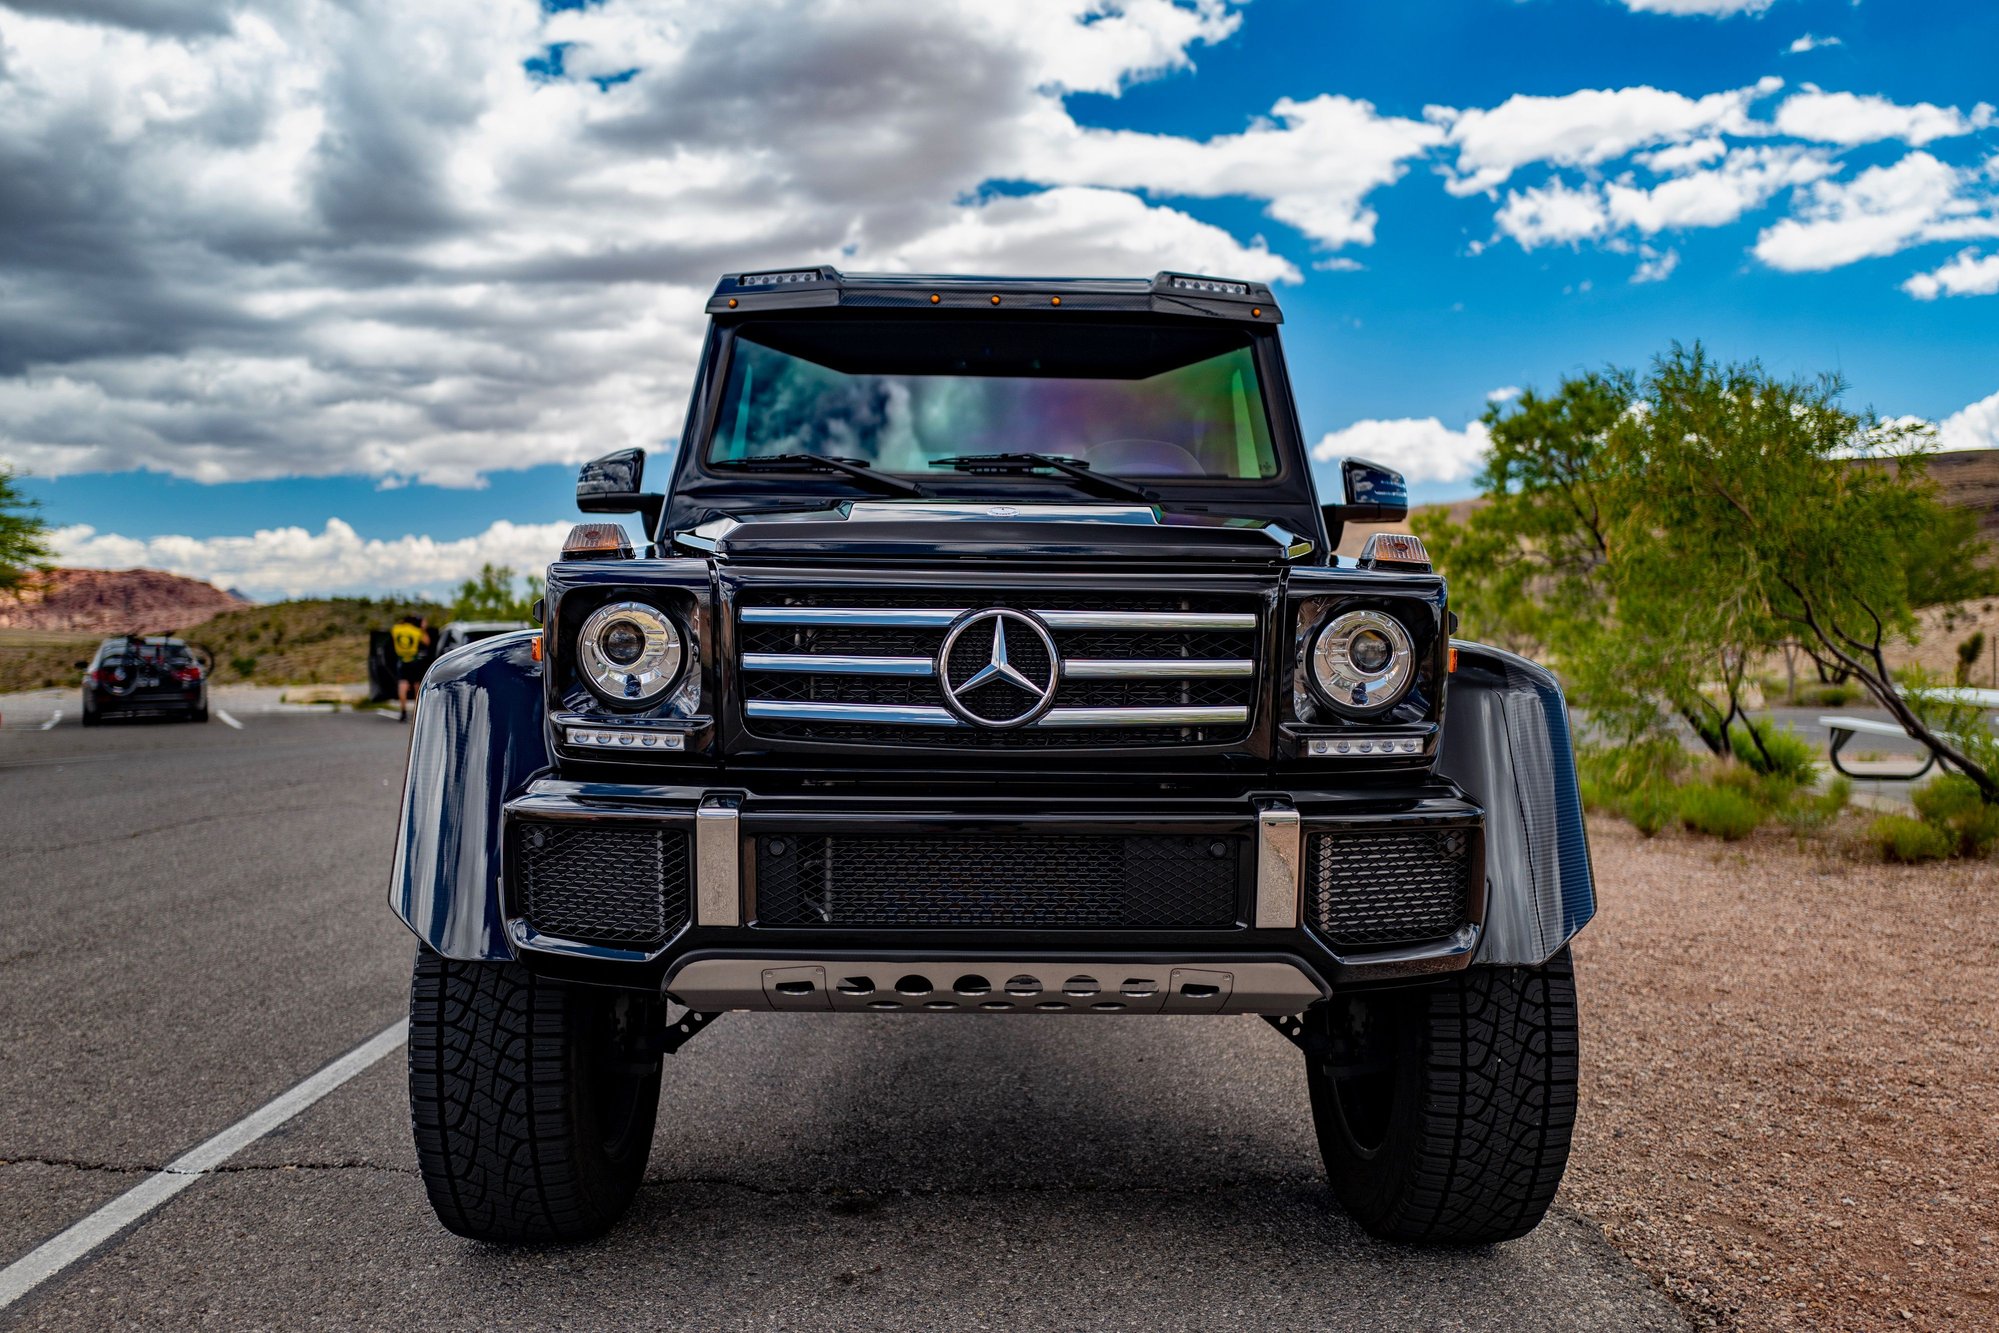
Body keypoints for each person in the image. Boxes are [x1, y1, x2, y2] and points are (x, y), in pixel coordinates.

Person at [391, 614, 431, 722]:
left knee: (402, 685)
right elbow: (427, 642)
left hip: (402, 660)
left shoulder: (396, 629)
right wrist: (423, 629)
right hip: (414, 661)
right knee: (417, 685)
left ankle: (403, 712)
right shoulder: (416, 631)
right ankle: (416, 713)